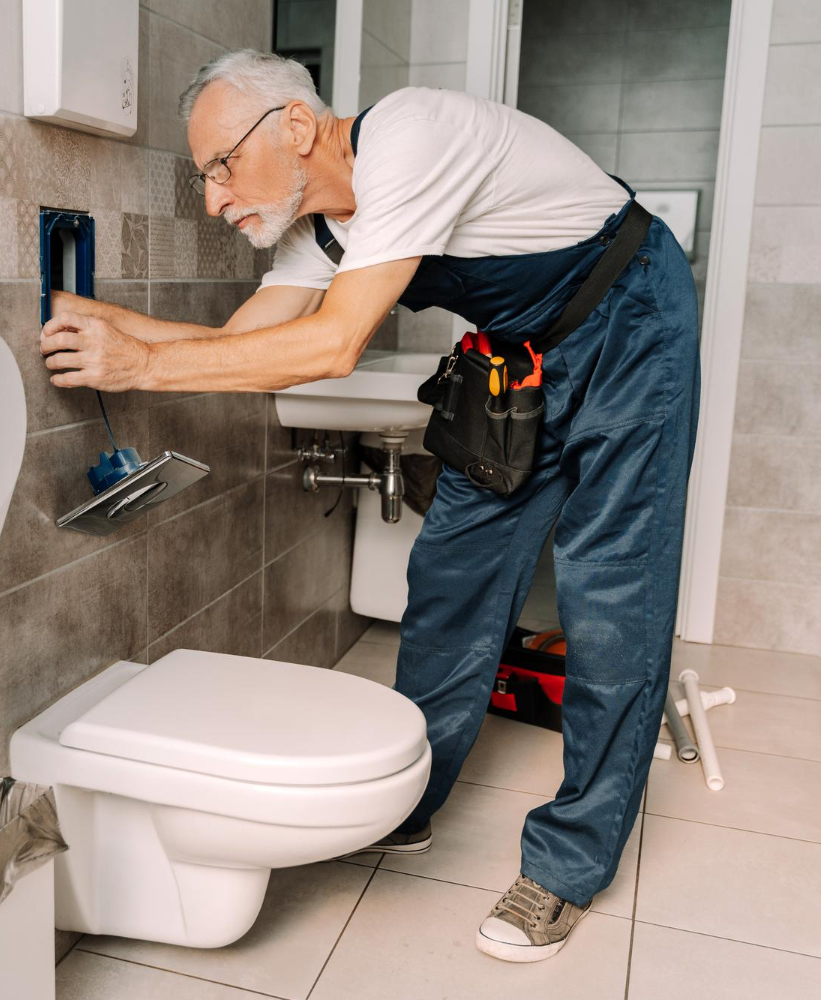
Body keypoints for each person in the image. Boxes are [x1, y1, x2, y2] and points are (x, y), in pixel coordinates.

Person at [39, 50, 699, 962]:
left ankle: (568, 866)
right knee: (450, 574)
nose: (214, 200)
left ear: (298, 129)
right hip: (519, 360)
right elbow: (245, 346)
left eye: (222, 166)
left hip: (632, 322)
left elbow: (335, 344)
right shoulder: (325, 234)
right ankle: (411, 802)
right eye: (205, 179)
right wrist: (115, 328)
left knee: (613, 594)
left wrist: (144, 363)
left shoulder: (415, 137)